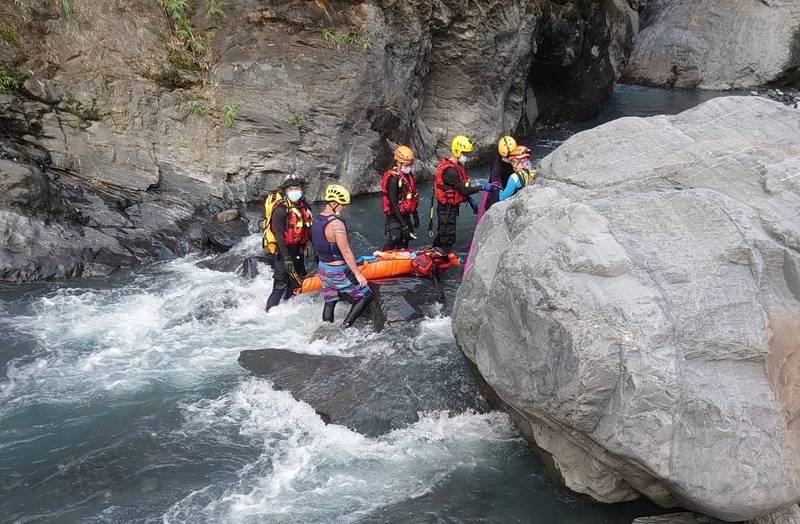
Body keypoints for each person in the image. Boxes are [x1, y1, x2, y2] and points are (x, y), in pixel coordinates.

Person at [311, 184, 373, 328]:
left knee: (330, 301)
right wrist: (358, 274)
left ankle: (326, 329)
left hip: (323, 269)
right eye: (341, 205)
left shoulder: (316, 219)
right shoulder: (336, 224)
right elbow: (346, 252)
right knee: (366, 296)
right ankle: (345, 327)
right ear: (333, 203)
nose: (343, 208)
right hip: (338, 272)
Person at [431, 135, 493, 252]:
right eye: (464, 153)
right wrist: (482, 187)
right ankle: (441, 256)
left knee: (444, 232)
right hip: (446, 208)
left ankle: (435, 251)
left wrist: (469, 200)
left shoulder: (457, 167)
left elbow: (461, 188)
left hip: (450, 207)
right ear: (457, 151)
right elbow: (463, 190)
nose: (466, 157)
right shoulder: (450, 171)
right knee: (447, 235)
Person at [264, 174, 313, 312]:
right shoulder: (280, 209)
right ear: (285, 191)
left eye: (296, 187)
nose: (294, 191)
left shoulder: (304, 206)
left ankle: (287, 309)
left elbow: (309, 228)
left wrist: (316, 251)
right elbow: (279, 235)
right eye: (291, 188)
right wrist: (286, 258)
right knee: (280, 285)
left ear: (301, 189)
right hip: (283, 252)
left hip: (298, 251)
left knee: (295, 284)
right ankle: (268, 313)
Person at [381, 144, 420, 250]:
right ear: (398, 163)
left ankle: (401, 257)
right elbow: (393, 204)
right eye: (406, 165)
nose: (409, 167)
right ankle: (382, 257)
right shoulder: (393, 180)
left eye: (410, 164)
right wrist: (403, 225)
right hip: (394, 216)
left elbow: (412, 195)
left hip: (406, 215)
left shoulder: (409, 176)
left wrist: (415, 215)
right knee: (395, 238)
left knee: (406, 238)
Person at [483, 135, 517, 211]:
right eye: (510, 157)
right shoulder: (497, 168)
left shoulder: (510, 159)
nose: (512, 159)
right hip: (498, 194)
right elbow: (496, 189)